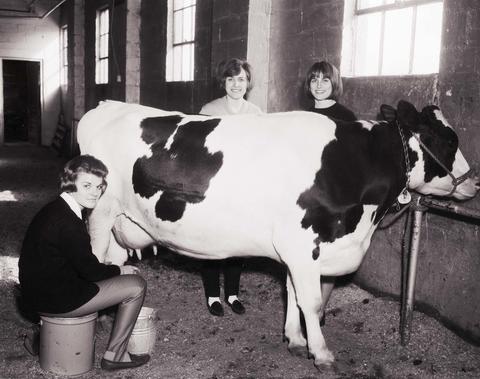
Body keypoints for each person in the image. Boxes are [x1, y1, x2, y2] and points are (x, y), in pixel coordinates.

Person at [18, 155, 149, 371]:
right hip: (57, 302)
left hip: (35, 297)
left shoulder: (54, 209)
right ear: (70, 183)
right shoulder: (69, 222)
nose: (94, 192)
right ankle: (115, 356)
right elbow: (91, 271)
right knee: (136, 285)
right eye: (87, 185)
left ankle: (42, 337)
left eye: (99, 186)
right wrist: (120, 269)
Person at [199, 58, 261, 317]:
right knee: (212, 241)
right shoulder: (208, 109)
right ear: (223, 82)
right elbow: (197, 150)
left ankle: (233, 294)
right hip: (213, 185)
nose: (236, 84)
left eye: (241, 79)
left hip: (242, 187)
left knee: (237, 242)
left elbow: (261, 152)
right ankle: (213, 296)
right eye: (231, 79)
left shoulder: (256, 113)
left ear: (248, 83)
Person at [304, 61, 357, 326]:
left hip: (334, 193)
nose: (319, 85)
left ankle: (320, 308)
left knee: (330, 251)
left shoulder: (346, 116)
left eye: (325, 80)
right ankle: (305, 303)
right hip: (304, 193)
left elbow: (354, 160)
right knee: (302, 250)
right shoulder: (300, 114)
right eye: (314, 79)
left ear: (334, 84)